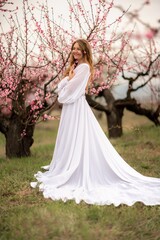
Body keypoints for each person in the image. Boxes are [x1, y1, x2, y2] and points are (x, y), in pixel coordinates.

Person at [31, 39, 160, 206]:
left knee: (78, 137)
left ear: (85, 51)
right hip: (72, 108)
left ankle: (78, 168)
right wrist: (68, 79)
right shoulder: (75, 68)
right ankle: (68, 164)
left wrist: (67, 81)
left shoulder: (83, 68)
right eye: (73, 48)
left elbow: (64, 95)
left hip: (76, 108)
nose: (75, 51)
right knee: (71, 137)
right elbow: (60, 89)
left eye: (78, 49)